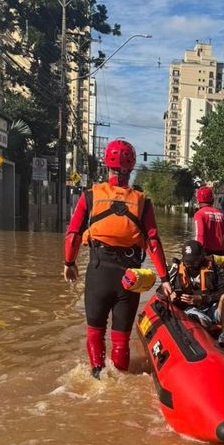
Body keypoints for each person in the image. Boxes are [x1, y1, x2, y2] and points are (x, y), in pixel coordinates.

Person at [63, 139, 173, 378]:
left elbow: (73, 236)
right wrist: (164, 278)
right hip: (129, 278)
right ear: (131, 167)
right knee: (121, 338)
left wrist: (69, 263)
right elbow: (153, 242)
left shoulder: (90, 196)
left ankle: (96, 375)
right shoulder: (142, 202)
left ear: (106, 164)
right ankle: (120, 379)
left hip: (98, 273)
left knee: (95, 332)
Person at [164, 240, 224, 329]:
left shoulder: (215, 268)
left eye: (194, 261)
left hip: (213, 308)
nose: (190, 264)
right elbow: (161, 290)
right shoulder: (175, 269)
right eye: (188, 261)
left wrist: (203, 299)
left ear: (202, 257)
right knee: (197, 319)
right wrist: (170, 295)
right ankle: (206, 329)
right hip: (191, 310)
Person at [193, 185, 224, 263]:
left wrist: (198, 254)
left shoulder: (199, 214)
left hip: (206, 254)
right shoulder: (222, 215)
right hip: (220, 255)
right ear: (212, 199)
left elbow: (200, 235)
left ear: (198, 200)